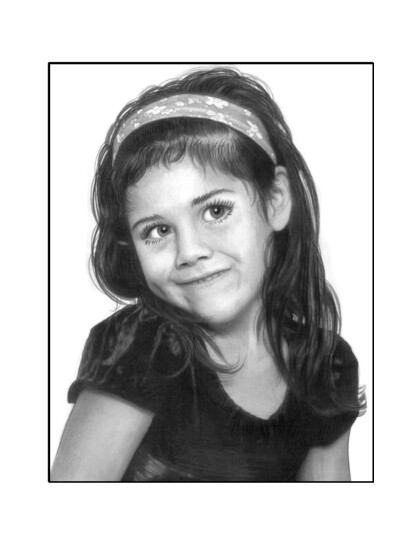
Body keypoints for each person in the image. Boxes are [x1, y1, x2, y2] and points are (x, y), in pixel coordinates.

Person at [51, 66, 366, 482]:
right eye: (158, 231)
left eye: (216, 211)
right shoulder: (141, 349)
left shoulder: (326, 364)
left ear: (275, 200)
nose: (190, 252)